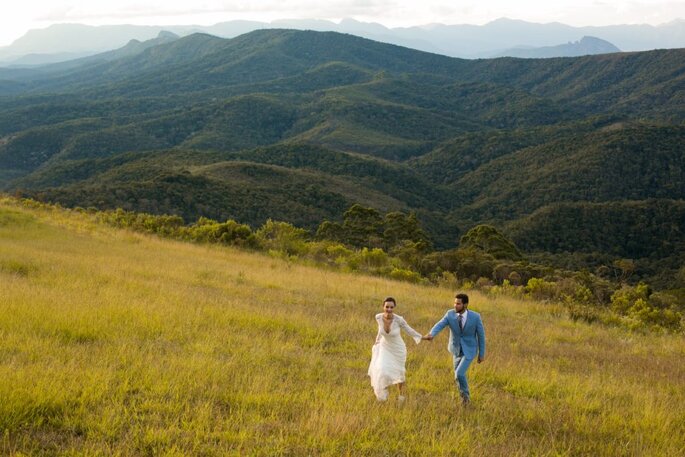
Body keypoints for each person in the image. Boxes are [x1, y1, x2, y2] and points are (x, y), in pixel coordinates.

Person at [423, 293, 485, 405]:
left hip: (469, 350)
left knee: (459, 374)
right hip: (456, 350)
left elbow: (481, 336)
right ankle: (463, 399)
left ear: (465, 305)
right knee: (457, 376)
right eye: (455, 303)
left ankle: (466, 399)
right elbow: (440, 324)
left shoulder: (476, 317)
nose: (455, 305)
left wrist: (481, 354)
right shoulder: (450, 314)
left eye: (458, 303)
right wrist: (432, 334)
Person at [368, 297, 426, 402]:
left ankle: (401, 396)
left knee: (399, 373)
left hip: (398, 350)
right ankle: (383, 396)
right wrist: (376, 342)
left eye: (391, 307)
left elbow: (409, 330)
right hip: (384, 347)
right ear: (383, 307)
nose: (389, 309)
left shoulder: (399, 320)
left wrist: (422, 337)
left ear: (394, 307)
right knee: (382, 370)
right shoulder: (378, 317)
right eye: (387, 307)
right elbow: (379, 331)